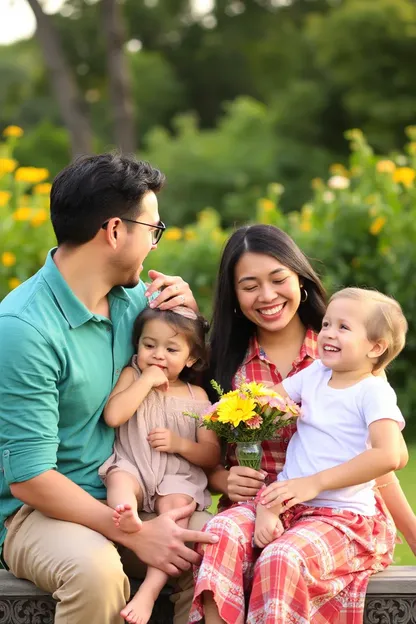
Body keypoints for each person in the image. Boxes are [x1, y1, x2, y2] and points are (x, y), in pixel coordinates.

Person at [0, 153, 218, 624]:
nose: (155, 246)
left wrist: (188, 324)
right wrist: (134, 534)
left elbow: (185, 390)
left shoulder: (137, 303)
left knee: (221, 550)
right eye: (153, 231)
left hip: (138, 492)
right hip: (41, 513)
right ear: (116, 231)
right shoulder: (24, 328)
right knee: (95, 573)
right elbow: (30, 478)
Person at [189, 224, 416, 624]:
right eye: (249, 285)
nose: (267, 295)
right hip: (265, 507)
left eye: (279, 279)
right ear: (233, 295)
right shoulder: (225, 362)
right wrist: (224, 480)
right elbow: (210, 458)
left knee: (282, 557)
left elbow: (378, 458)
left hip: (334, 510)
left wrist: (412, 535)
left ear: (301, 279)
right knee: (217, 534)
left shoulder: (345, 358)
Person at [254, 287, 406, 551]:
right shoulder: (316, 372)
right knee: (243, 519)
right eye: (326, 324)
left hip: (340, 508)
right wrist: (241, 407)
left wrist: (316, 482)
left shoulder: (373, 391)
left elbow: (389, 456)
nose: (328, 333)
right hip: (293, 497)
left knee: (281, 556)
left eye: (343, 327)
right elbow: (270, 401)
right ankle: (268, 511)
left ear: (376, 347)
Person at [99, 304, 220, 624]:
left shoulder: (198, 397)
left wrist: (181, 444)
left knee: (177, 508)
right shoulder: (132, 375)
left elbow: (210, 456)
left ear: (191, 358)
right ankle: (128, 520)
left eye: (171, 348)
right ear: (137, 345)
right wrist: (146, 380)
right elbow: (113, 416)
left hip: (175, 477)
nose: (158, 355)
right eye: (148, 345)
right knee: (119, 480)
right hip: (133, 465)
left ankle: (150, 590)